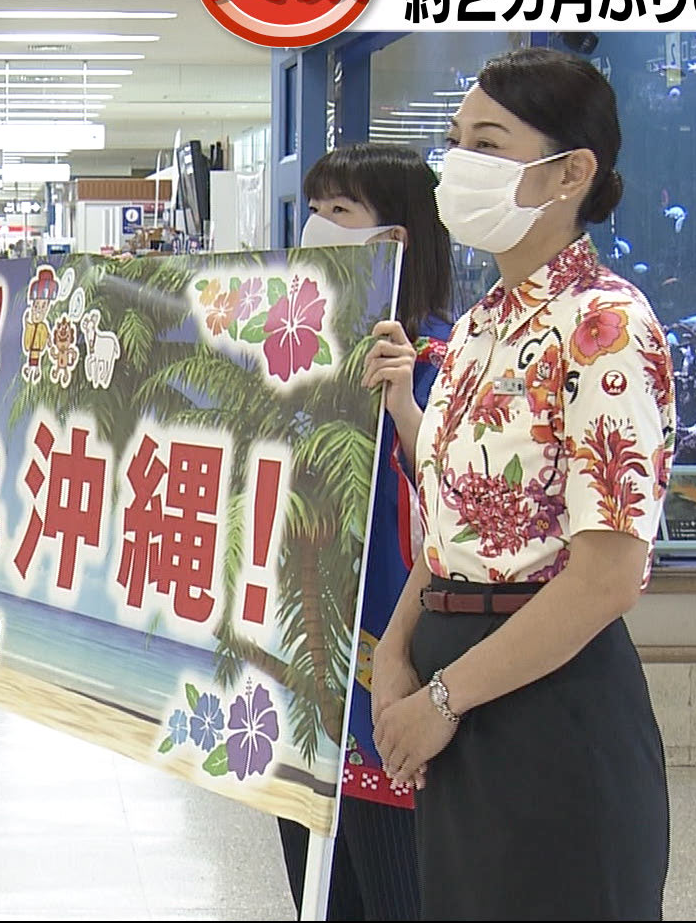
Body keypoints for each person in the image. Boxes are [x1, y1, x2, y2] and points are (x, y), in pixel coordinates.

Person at [370, 47, 675, 920]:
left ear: (572, 171)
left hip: (550, 707)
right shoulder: (475, 331)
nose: (459, 165)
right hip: (452, 700)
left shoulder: (605, 328)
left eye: (490, 145)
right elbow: (453, 525)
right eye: (456, 140)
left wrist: (443, 696)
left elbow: (607, 577)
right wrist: (396, 652)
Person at [273, 143, 453, 921]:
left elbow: (459, 513)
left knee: (397, 896)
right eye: (313, 208)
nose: (317, 226)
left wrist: (405, 415)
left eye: (339, 211)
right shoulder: (299, 357)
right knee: (319, 896)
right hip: (297, 684)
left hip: (389, 685)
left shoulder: (440, 364)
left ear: (396, 238)